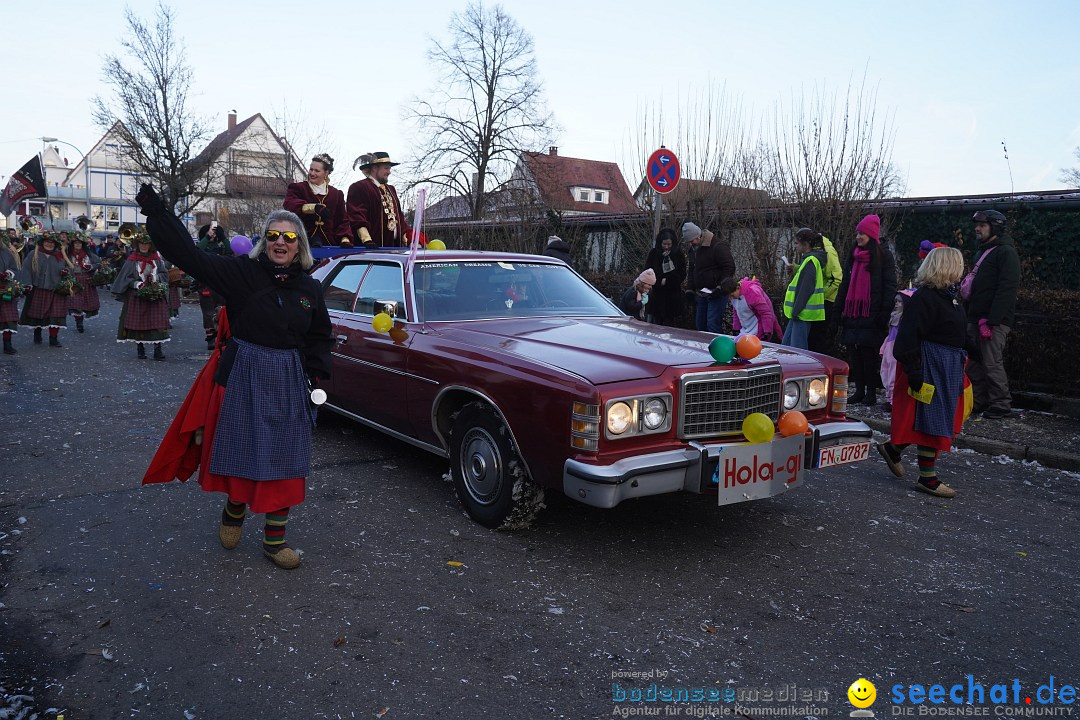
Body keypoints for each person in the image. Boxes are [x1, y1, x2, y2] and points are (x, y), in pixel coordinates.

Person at [135, 184, 333, 570]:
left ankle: (274, 542)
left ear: (299, 246)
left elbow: (319, 336)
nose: (280, 242)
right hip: (245, 374)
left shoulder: (310, 288)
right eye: (273, 235)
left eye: (289, 237)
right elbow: (189, 255)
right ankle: (234, 509)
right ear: (264, 242)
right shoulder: (241, 273)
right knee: (244, 450)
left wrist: (318, 377)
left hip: (290, 379)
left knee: (288, 459)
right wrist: (158, 213)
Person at [876, 247, 971, 498]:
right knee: (932, 420)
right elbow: (908, 338)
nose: (962, 271)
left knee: (933, 418)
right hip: (931, 364)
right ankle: (927, 477)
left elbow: (955, 330)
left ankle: (893, 449)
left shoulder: (949, 297)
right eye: (959, 266)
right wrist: (914, 370)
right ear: (948, 268)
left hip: (946, 365)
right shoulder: (925, 298)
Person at [834, 214, 897, 406]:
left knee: (869, 356)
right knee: (855, 354)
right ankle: (859, 390)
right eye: (857, 233)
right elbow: (845, 283)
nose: (858, 237)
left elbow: (889, 286)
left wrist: (884, 313)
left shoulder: (883, 255)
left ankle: (870, 392)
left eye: (862, 233)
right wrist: (838, 310)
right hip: (853, 312)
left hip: (872, 312)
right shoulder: (853, 255)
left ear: (871, 234)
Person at [963, 210, 1020, 419]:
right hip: (975, 318)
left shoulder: (1005, 253)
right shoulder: (983, 251)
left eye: (983, 225)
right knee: (975, 363)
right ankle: (979, 400)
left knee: (991, 361)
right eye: (976, 225)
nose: (977, 229)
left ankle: (1001, 404)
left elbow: (1007, 289)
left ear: (995, 227)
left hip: (992, 322)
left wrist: (993, 320)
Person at [110, 230, 170, 360]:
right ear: (137, 245)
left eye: (146, 244)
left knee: (157, 322)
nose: (143, 246)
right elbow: (125, 278)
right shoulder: (131, 261)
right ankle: (140, 348)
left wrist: (155, 278)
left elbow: (164, 274)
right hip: (137, 295)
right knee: (139, 322)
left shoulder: (157, 260)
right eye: (141, 244)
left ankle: (157, 349)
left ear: (150, 245)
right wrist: (137, 284)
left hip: (156, 295)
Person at [283, 153, 352, 247]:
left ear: (326, 173)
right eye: (311, 169)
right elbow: (289, 204)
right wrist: (313, 208)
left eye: (317, 171)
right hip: (302, 242)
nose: (312, 173)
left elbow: (342, 220)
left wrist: (345, 239)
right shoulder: (298, 188)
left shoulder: (336, 194)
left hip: (329, 244)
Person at [346, 151, 413, 247]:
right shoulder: (360, 187)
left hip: (394, 248)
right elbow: (357, 218)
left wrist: (409, 240)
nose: (389, 172)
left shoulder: (391, 189)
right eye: (386, 168)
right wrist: (367, 241)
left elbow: (400, 218)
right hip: (370, 250)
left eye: (389, 169)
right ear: (374, 168)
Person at [18, 232, 73, 347]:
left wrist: (66, 272)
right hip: (38, 288)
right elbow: (26, 270)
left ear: (55, 244)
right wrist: (27, 284)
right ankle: (37, 333)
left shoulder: (60, 255)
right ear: (42, 243)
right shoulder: (34, 254)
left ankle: (53, 338)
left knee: (55, 316)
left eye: (52, 242)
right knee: (37, 314)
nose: (49, 244)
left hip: (56, 290)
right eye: (47, 242)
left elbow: (70, 269)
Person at [682, 221, 735, 333]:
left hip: (717, 292)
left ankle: (718, 349)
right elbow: (692, 270)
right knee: (700, 325)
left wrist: (721, 287)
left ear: (698, 236)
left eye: (692, 241)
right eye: (689, 242)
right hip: (701, 293)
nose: (691, 244)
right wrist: (690, 289)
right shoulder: (693, 250)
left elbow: (729, 267)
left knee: (712, 325)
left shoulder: (717, 246)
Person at [781, 231, 827, 349]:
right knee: (787, 347)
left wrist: (796, 310)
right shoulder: (809, 260)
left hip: (801, 313)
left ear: (805, 244)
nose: (795, 246)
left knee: (797, 349)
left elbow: (805, 289)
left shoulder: (810, 261)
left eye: (797, 243)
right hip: (799, 312)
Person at [804, 229, 843, 353]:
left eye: (798, 243)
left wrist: (820, 297)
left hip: (826, 302)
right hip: (818, 302)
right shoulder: (816, 250)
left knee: (819, 341)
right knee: (813, 340)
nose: (796, 247)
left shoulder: (827, 251)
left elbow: (836, 279)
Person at [196, 224, 229, 350]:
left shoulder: (220, 247)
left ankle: (221, 334)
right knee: (208, 312)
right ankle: (210, 337)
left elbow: (231, 250)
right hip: (205, 283)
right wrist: (207, 237)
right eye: (211, 233)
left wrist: (222, 236)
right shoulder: (203, 246)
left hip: (220, 282)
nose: (213, 235)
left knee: (221, 310)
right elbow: (197, 250)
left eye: (215, 234)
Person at [643, 228, 686, 326]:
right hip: (657, 294)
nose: (666, 247)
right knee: (656, 324)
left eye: (669, 244)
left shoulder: (678, 254)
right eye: (664, 244)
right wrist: (658, 281)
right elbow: (647, 272)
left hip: (672, 295)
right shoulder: (654, 253)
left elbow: (682, 273)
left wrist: (668, 281)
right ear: (660, 243)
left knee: (670, 325)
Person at [720, 276, 783, 342]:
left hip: (759, 330)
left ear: (737, 288)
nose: (731, 298)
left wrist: (767, 332)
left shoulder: (752, 293)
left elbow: (766, 313)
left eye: (732, 295)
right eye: (729, 296)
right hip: (746, 330)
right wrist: (736, 328)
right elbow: (736, 311)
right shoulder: (735, 296)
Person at [67, 233, 101, 333]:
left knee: (86, 303)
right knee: (76, 303)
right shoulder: (68, 255)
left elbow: (98, 263)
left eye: (79, 243)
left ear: (82, 245)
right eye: (76, 243)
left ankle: (81, 320)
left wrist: (91, 267)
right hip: (74, 280)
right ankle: (79, 322)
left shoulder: (89, 255)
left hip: (86, 279)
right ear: (73, 244)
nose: (77, 245)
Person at [1, 232, 28, 354]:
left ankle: (8, 344)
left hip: (6, 288)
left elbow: (14, 267)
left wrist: (7, 273)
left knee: (8, 318)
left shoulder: (6, 253)